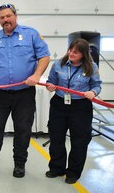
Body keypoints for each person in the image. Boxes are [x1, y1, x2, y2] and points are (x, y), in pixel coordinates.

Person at [0, 3, 50, 178]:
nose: (5, 20)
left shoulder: (31, 34)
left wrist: (37, 75)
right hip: (0, 94)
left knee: (22, 130)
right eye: (2, 17)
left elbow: (44, 56)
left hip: (24, 93)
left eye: (8, 16)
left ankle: (19, 163)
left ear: (15, 16)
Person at [45, 38, 101, 184]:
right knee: (56, 138)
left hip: (81, 107)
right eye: (70, 50)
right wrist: (50, 86)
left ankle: (73, 172)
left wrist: (93, 93)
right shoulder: (58, 64)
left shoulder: (92, 67)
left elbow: (97, 85)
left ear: (83, 54)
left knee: (79, 141)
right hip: (59, 104)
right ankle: (57, 168)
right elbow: (51, 81)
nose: (71, 53)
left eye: (76, 52)